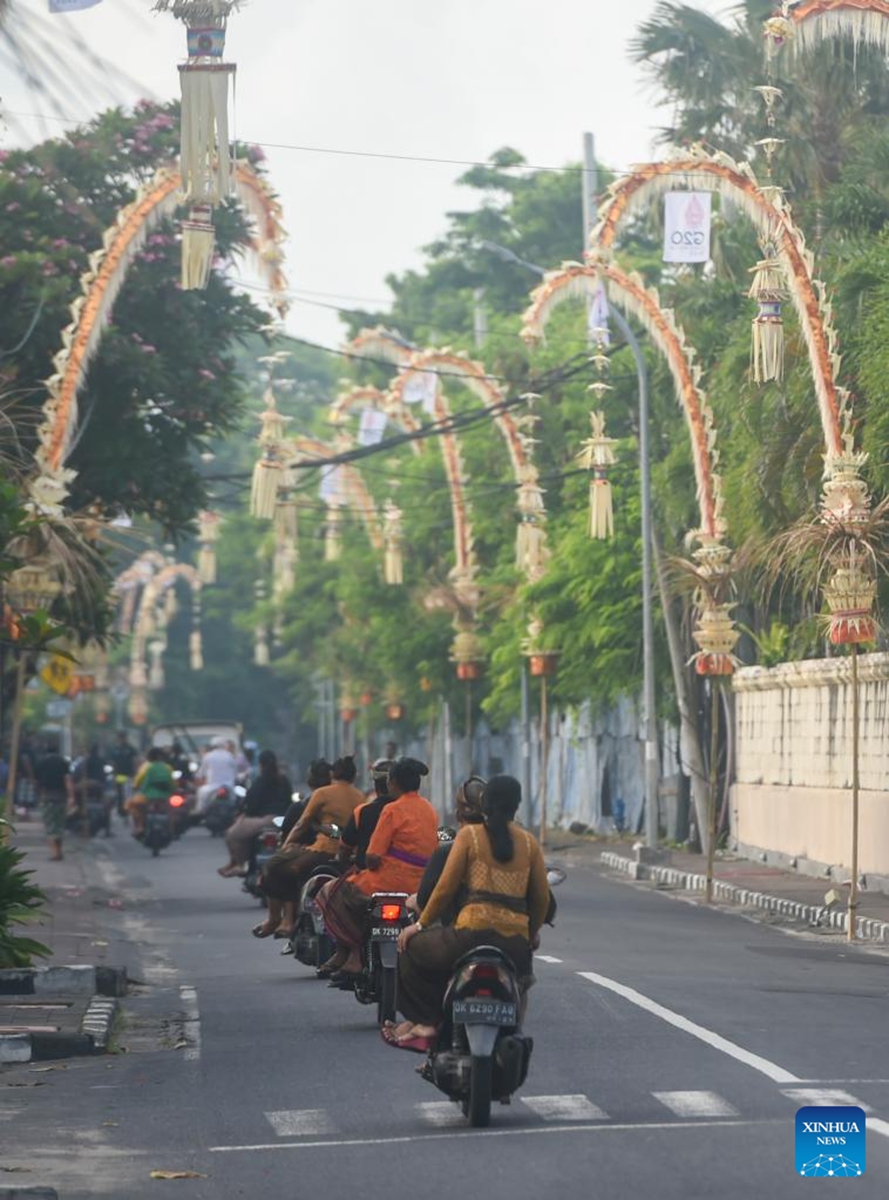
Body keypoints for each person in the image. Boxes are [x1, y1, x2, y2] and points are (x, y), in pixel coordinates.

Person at [385, 774, 548, 1053]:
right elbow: (541, 899)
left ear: (485, 804)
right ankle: (512, 1033)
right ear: (517, 805)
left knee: (408, 949)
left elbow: (445, 889)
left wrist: (419, 925)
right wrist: (531, 933)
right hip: (514, 944)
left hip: (469, 936)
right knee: (523, 983)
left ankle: (425, 1023)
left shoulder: (469, 836)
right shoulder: (530, 844)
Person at [317, 756, 438, 983]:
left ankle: (353, 952)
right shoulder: (430, 810)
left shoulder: (391, 809)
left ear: (394, 783)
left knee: (332, 893)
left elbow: (372, 856)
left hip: (385, 882)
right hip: (421, 885)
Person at [253, 755, 364, 940]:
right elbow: (349, 831)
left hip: (321, 852)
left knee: (273, 867)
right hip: (348, 855)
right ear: (354, 776)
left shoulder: (321, 795)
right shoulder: (361, 797)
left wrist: (286, 847)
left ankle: (276, 920)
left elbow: (301, 824)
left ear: (332, 774)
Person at [218, 749, 292, 877]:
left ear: (260, 764)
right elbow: (289, 800)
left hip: (265, 820)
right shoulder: (283, 779)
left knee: (231, 835)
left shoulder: (261, 780)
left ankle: (240, 865)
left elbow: (251, 803)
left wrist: (243, 813)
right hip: (282, 820)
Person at [337, 758, 396, 873]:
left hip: (369, 881)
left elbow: (344, 850)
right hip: (412, 884)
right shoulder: (417, 811)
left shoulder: (363, 811)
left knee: (326, 890)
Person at [35, 737, 75, 861]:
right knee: (59, 826)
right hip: (60, 798)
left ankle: (55, 852)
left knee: (50, 826)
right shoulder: (63, 762)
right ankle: (59, 850)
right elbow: (67, 780)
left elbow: (38, 782)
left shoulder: (41, 762)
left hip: (46, 797)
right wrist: (71, 796)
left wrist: (39, 797)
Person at [127, 747, 174, 838]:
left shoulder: (147, 767)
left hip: (148, 796)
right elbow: (172, 782)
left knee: (132, 805)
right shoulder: (167, 767)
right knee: (170, 811)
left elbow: (141, 782)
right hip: (165, 796)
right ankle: (171, 829)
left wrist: (137, 788)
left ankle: (139, 827)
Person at [195, 736, 237, 814]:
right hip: (228, 787)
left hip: (212, 787)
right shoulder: (230, 756)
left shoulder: (208, 756)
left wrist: (198, 777)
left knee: (201, 792)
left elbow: (201, 773)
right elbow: (235, 772)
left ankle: (200, 812)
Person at [110, 731, 138, 818]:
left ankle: (128, 809)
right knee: (120, 792)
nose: (122, 739)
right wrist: (114, 775)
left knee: (128, 793)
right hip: (119, 775)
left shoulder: (130, 749)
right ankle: (120, 809)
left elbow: (134, 761)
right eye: (120, 737)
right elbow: (113, 763)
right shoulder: (115, 750)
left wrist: (135, 773)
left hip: (128, 774)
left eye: (123, 737)